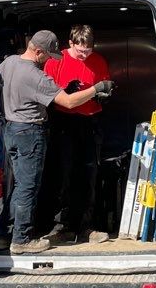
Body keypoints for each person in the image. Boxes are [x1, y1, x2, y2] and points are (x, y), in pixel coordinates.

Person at [0, 30, 113, 253]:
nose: (50, 60)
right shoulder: (36, 77)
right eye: (48, 56)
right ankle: (22, 240)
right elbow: (66, 102)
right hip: (30, 131)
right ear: (38, 52)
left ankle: (2, 235)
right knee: (28, 187)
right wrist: (95, 88)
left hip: (12, 128)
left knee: (19, 186)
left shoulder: (9, 63)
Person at [46, 24, 111, 244]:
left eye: (88, 50)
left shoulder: (99, 61)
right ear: (71, 43)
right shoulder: (56, 60)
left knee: (89, 175)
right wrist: (68, 91)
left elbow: (105, 88)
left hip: (90, 120)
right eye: (80, 50)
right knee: (62, 174)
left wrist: (104, 94)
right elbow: (47, 92)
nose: (84, 55)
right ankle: (60, 226)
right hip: (63, 119)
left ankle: (86, 227)